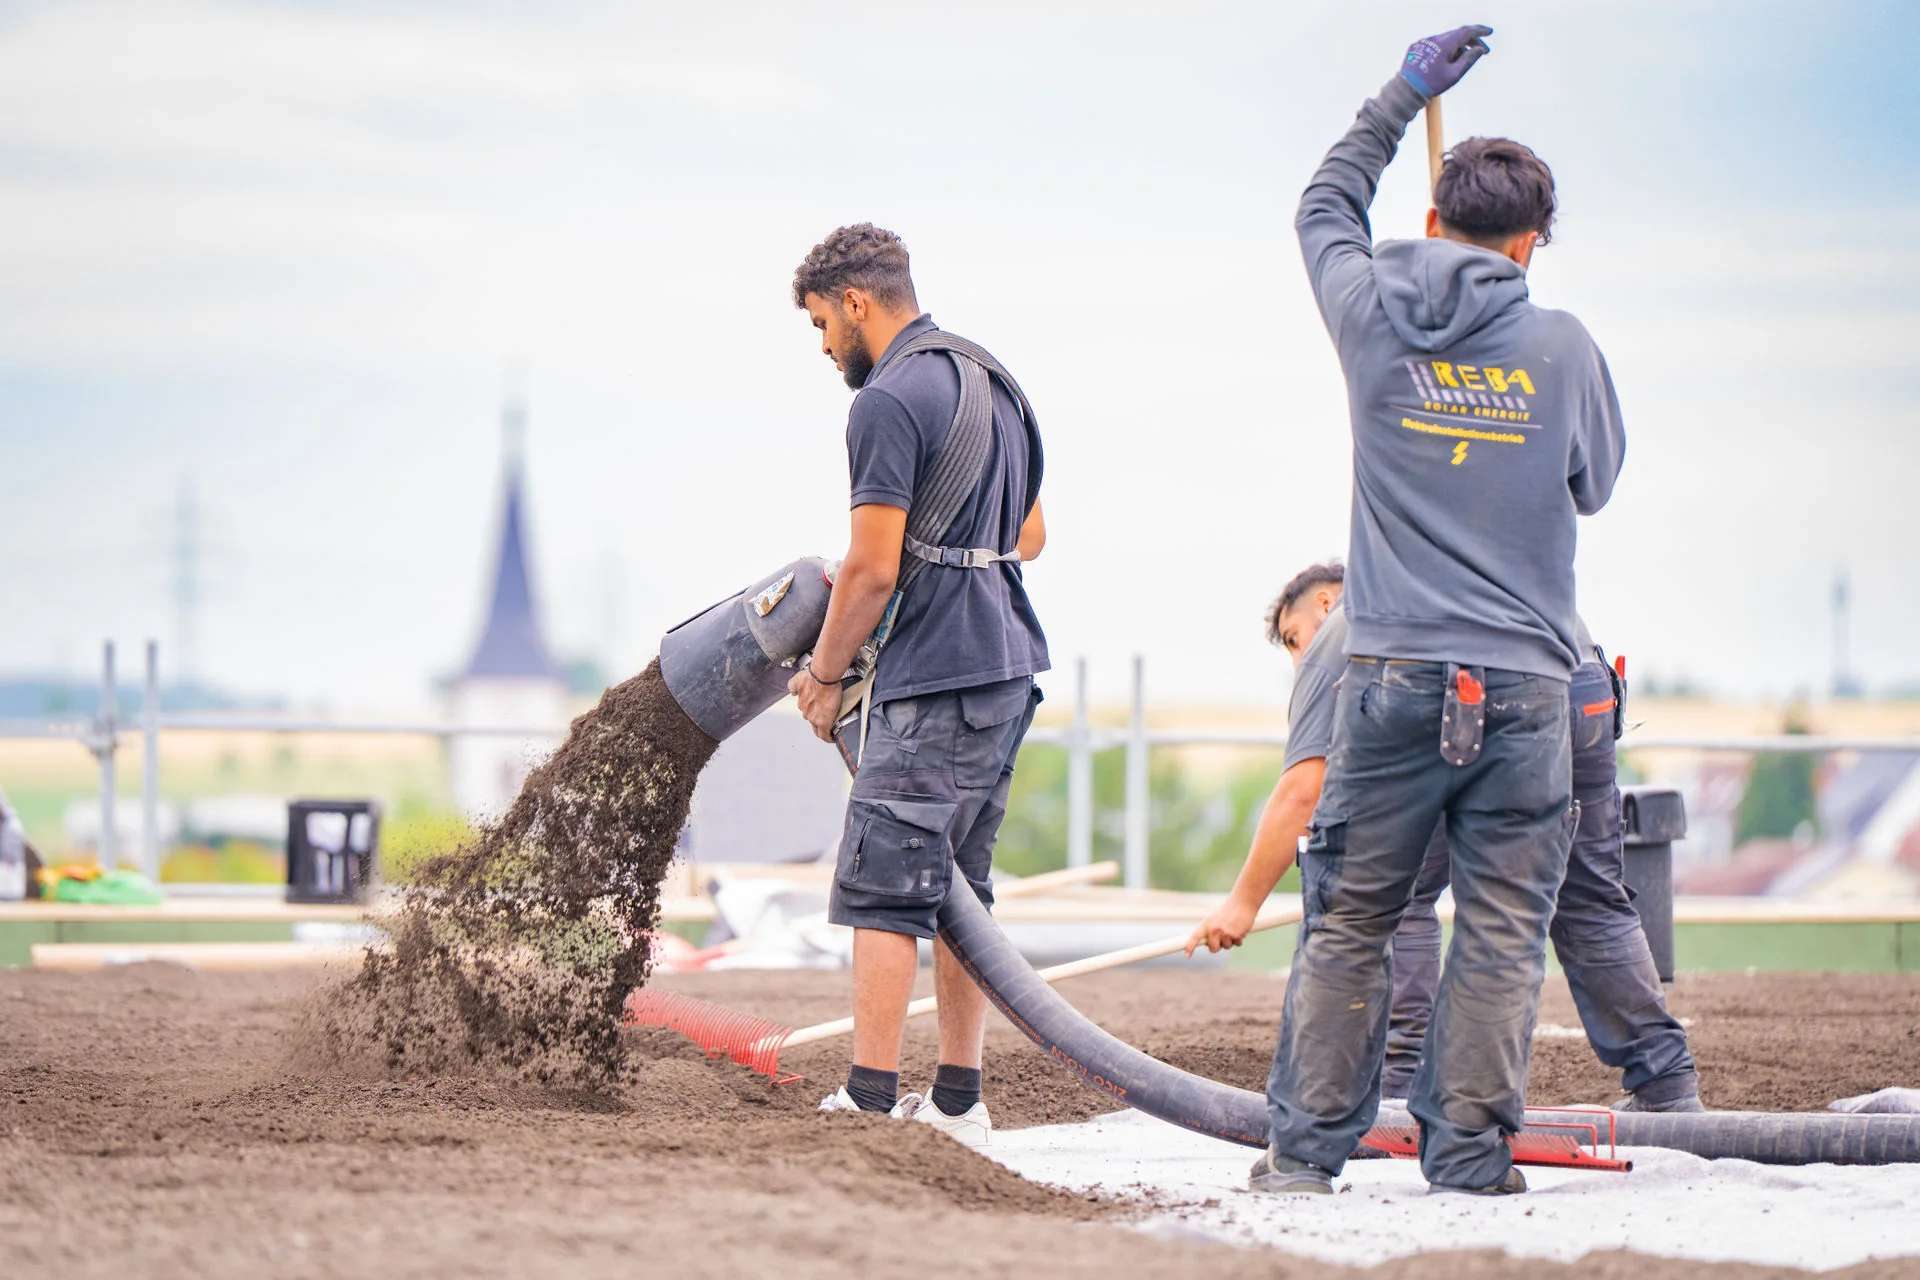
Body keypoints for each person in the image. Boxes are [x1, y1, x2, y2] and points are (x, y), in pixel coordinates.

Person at [1253, 25, 1627, 1198]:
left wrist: (1403, 93)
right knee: (1506, 928)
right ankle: (1468, 1157)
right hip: (1526, 689)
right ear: (1530, 243)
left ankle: (1305, 1156)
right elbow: (1593, 485)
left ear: (1430, 222)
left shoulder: (1368, 313)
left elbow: (1324, 203)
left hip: (1397, 678)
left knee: (1352, 918)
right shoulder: (1563, 347)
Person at [1188, 568, 1701, 1118]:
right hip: (1580, 682)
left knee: (1400, 890)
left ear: (1324, 600)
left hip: (1486, 693)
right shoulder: (1451, 567)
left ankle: (1401, 1079)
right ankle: (1667, 1083)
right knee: (1589, 899)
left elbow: (1301, 792)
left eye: (1293, 639)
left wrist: (1243, 903)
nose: (1296, 659)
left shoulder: (1347, 622)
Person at [786, 224, 1049, 1148]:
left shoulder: (888, 399)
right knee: (961, 890)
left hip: (933, 679)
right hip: (1009, 667)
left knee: (883, 886)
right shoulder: (993, 380)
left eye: (822, 323)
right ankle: (958, 1101)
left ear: (857, 301)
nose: (824, 347)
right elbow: (1032, 536)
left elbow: (870, 570)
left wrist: (823, 678)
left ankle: (865, 1096)